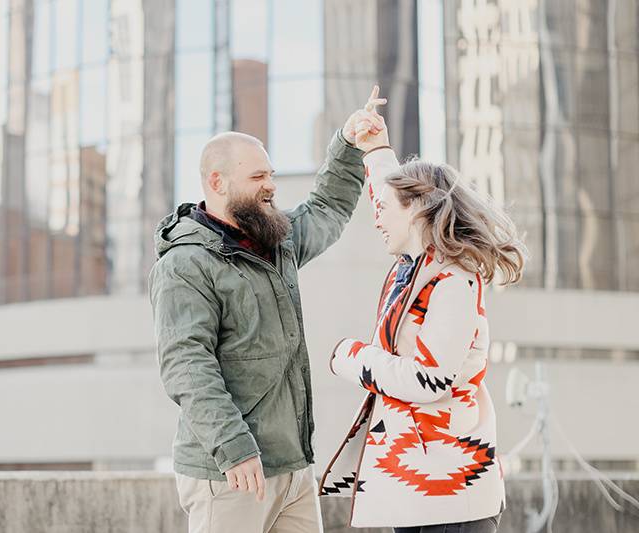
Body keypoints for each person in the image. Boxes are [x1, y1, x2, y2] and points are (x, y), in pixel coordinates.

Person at [148, 87, 387, 533]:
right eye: (258, 177)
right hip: (230, 472)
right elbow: (186, 366)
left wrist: (348, 145)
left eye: (271, 174)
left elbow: (328, 207)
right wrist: (233, 446)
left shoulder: (277, 240)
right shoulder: (184, 265)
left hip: (293, 466)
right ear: (217, 183)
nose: (271, 186)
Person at [319, 92, 527, 532]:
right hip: (425, 493)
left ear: (417, 209)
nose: (376, 218)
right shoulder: (418, 268)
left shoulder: (453, 280)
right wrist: (375, 148)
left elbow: (427, 380)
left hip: (448, 502)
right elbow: (391, 191)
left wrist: (352, 357)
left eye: (383, 210)